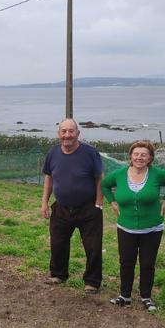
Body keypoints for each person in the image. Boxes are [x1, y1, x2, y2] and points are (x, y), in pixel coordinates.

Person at [101, 140, 165, 312]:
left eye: (144, 154)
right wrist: (112, 202)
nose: (139, 157)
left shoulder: (157, 174)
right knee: (126, 262)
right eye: (136, 154)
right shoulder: (119, 174)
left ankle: (146, 297)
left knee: (147, 263)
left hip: (152, 228)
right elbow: (104, 185)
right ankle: (125, 296)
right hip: (126, 227)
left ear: (150, 158)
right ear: (130, 156)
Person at [41, 118, 105, 294]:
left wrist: (99, 203)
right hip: (61, 208)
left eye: (71, 131)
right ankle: (58, 274)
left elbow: (100, 177)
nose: (67, 135)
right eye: (63, 131)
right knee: (58, 243)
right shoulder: (52, 153)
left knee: (93, 247)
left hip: (88, 209)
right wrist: (44, 202)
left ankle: (92, 282)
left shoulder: (90, 153)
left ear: (78, 133)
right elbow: (49, 177)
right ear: (58, 134)